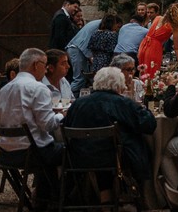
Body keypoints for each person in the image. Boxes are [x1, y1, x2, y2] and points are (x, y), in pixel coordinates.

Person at [62, 66, 157, 197]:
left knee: (103, 145)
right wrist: (142, 108)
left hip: (78, 156)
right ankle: (137, 194)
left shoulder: (78, 103)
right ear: (119, 84)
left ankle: (104, 197)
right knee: (138, 145)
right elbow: (149, 125)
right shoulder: (121, 103)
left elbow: (66, 125)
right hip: (115, 158)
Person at [0, 48, 64, 205]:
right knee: (70, 148)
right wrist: (61, 115)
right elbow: (47, 125)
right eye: (45, 65)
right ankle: (60, 197)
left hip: (5, 153)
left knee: (49, 146)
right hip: (32, 153)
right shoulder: (38, 88)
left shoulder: (3, 89)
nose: (46, 70)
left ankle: (44, 195)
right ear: (36, 65)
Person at [139, 3, 178, 76]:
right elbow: (176, 48)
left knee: (143, 72)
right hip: (154, 48)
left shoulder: (157, 18)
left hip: (144, 46)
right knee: (152, 73)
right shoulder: (174, 26)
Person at [65, 14, 101, 97]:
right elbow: (84, 43)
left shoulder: (95, 24)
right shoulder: (97, 27)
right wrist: (90, 57)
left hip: (77, 49)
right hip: (76, 49)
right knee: (79, 78)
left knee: (83, 77)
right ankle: (69, 98)